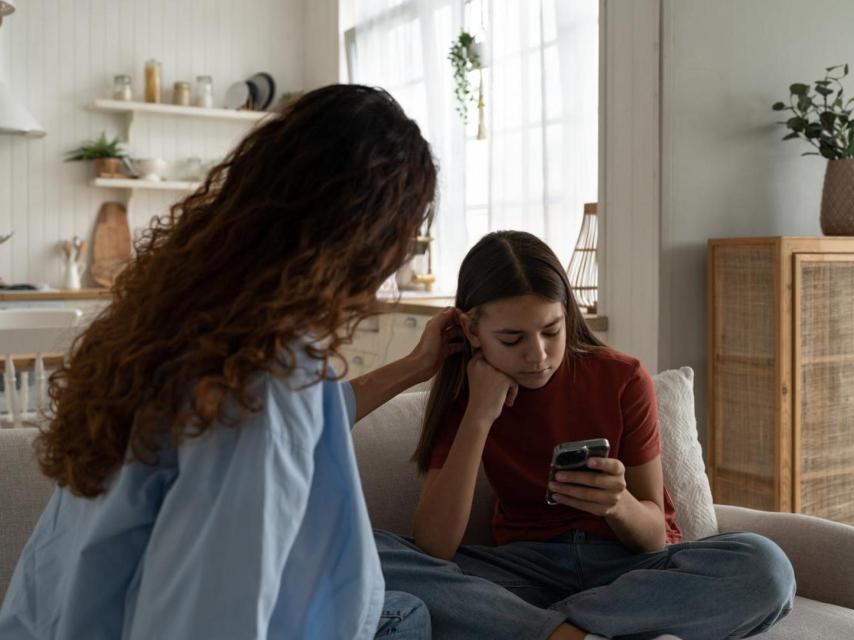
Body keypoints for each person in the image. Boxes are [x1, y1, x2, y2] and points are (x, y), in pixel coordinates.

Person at [0, 84, 460, 639]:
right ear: (364, 243)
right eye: (405, 241)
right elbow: (216, 617)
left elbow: (319, 421)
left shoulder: (172, 324)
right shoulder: (265, 387)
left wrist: (415, 366)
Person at [375, 230, 796, 640]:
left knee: (766, 566)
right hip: (523, 574)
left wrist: (618, 504)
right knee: (368, 553)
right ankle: (576, 631)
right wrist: (479, 415)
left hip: (626, 574)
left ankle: (536, 627)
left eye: (551, 330)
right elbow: (434, 546)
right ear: (471, 331)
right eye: (512, 338)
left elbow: (653, 537)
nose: (538, 355)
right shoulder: (466, 391)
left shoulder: (622, 378)